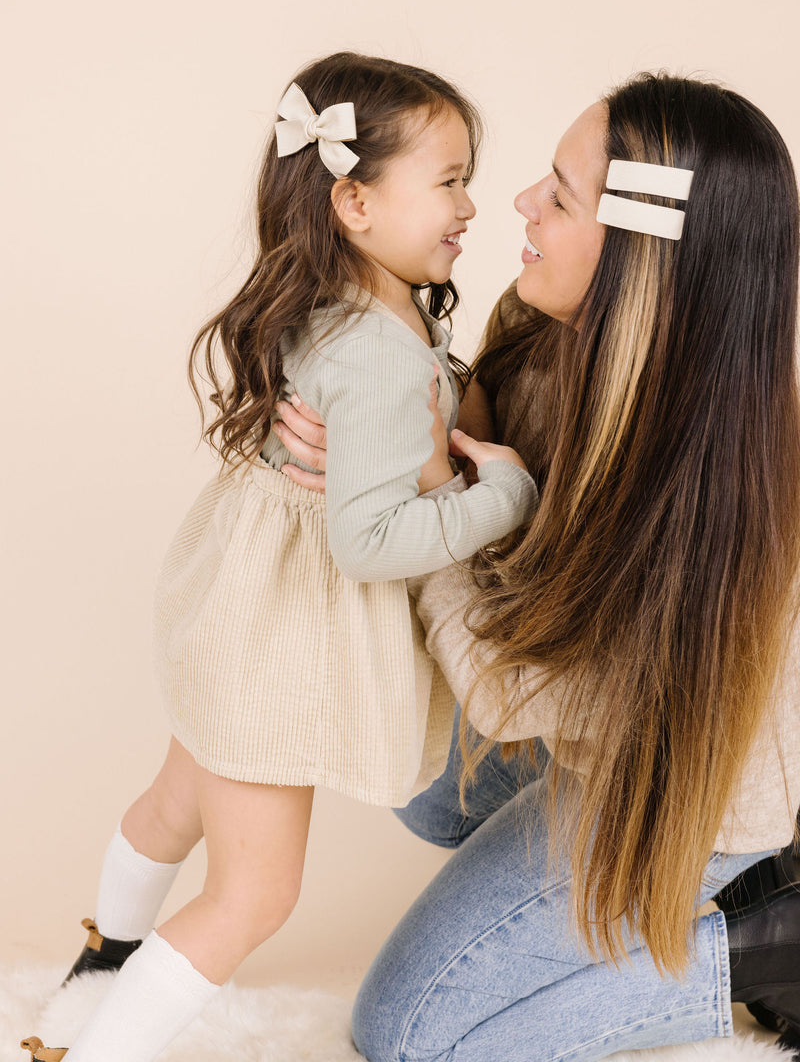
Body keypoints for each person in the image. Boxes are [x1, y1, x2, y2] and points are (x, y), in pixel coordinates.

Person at [20, 52, 538, 1062]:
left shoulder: (333, 303)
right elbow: (371, 540)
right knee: (253, 893)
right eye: (447, 180)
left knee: (175, 808)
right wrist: (505, 494)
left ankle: (102, 960)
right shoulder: (378, 349)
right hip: (279, 648)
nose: (470, 204)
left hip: (230, 610)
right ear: (352, 200)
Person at [276, 73, 800, 1059]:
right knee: (408, 761)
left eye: (558, 196)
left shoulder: (705, 481)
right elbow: (464, 444)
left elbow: (515, 699)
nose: (518, 202)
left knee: (407, 1034)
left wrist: (426, 501)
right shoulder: (549, 337)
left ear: (640, 258)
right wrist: (356, 432)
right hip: (590, 722)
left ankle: (763, 942)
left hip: (677, 781)